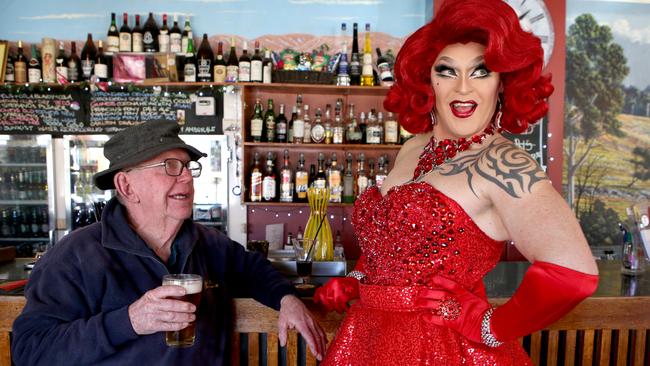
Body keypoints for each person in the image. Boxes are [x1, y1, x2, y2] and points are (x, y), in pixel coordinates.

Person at [314, 0, 599, 364]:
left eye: (481, 72)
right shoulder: (413, 147)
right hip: (364, 338)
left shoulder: (501, 162)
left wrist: (492, 326)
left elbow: (573, 273)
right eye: (447, 71)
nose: (463, 88)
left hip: (442, 349)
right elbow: (395, 248)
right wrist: (357, 280)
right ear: (427, 79)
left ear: (504, 82)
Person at [11, 120, 326, 365]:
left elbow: (253, 269)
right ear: (126, 184)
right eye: (171, 167)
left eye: (188, 167)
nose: (187, 178)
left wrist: (287, 299)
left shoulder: (207, 242)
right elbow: (30, 350)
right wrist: (129, 321)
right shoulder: (76, 256)